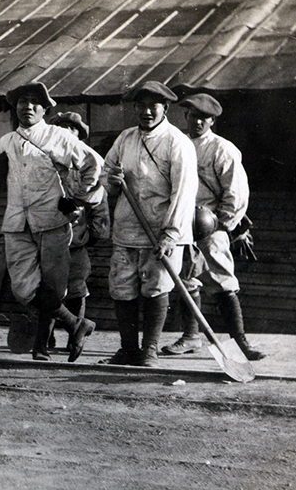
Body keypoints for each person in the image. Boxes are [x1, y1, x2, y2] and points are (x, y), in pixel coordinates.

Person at [0, 82, 100, 362]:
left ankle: (41, 347)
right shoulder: (6, 141)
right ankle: (75, 323)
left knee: (54, 287)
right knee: (23, 288)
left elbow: (93, 164)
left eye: (35, 102)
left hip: (52, 221)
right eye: (23, 101)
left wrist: (78, 199)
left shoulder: (58, 137)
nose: (28, 107)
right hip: (16, 223)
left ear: (45, 108)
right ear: (16, 107)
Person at [161, 93, 266, 361]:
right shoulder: (177, 144)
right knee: (185, 279)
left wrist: (221, 223)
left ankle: (240, 342)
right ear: (186, 116)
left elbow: (236, 192)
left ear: (212, 121)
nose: (197, 122)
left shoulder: (222, 149)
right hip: (182, 224)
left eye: (204, 118)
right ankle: (190, 336)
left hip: (211, 224)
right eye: (193, 116)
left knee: (221, 280)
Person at [101, 81, 198, 368]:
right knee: (122, 287)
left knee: (156, 287)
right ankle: (128, 349)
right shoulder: (125, 139)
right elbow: (106, 175)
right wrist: (112, 180)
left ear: (165, 108)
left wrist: (170, 234)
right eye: (141, 106)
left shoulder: (177, 142)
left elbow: (184, 192)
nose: (146, 112)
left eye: (152, 106)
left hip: (161, 231)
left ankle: (149, 350)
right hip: (127, 229)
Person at [46, 112, 111, 351]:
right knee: (46, 288)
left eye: (71, 128)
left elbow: (99, 204)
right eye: (61, 127)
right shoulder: (45, 160)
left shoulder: (87, 165)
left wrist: (92, 234)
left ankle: (75, 336)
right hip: (46, 237)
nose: (66, 131)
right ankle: (46, 337)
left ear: (79, 136)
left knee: (76, 288)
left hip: (76, 240)